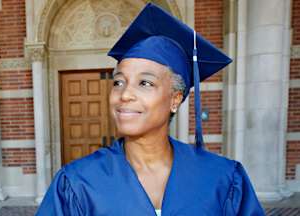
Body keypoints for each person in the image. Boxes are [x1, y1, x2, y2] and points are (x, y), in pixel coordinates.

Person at [36, 3, 265, 215]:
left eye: (145, 83)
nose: (124, 94)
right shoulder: (78, 182)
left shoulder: (222, 179)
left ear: (175, 99)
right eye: (118, 82)